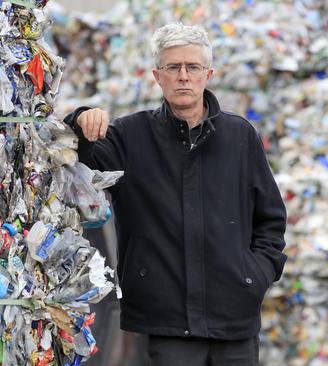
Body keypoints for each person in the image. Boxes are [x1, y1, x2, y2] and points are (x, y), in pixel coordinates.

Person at [63, 23, 287, 366]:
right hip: (167, 324)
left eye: (192, 67)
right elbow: (78, 155)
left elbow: (270, 218)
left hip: (235, 321)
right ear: (157, 76)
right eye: (173, 67)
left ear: (208, 74)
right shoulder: (130, 137)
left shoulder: (240, 136)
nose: (183, 76)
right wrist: (81, 118)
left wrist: (255, 276)